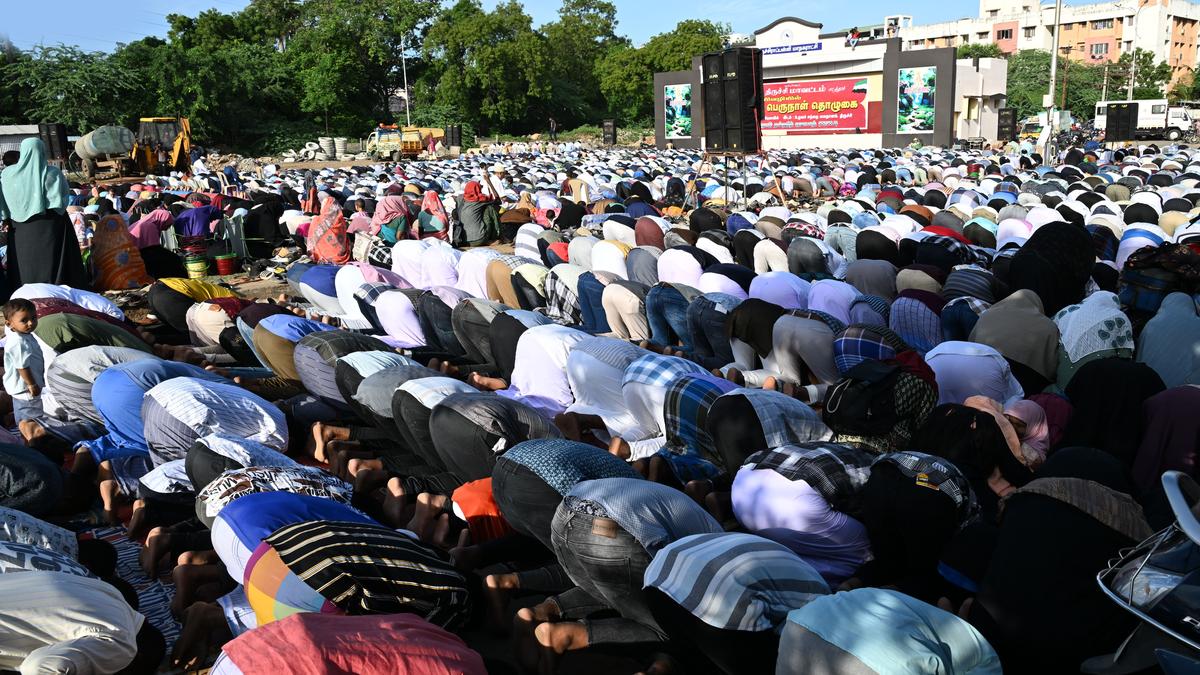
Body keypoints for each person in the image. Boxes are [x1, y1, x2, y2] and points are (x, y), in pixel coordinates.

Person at [0, 138, 89, 289]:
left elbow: (3, 200)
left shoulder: (8, 175)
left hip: (19, 228)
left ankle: (24, 289)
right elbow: (62, 199)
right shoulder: (52, 173)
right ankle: (55, 290)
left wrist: (7, 217)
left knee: (24, 261)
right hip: (51, 224)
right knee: (53, 260)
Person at [3, 298, 43, 423]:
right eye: (24, 320)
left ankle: (21, 431)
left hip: (25, 386)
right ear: (9, 324)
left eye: (34, 318)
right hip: (25, 388)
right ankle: (32, 440)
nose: (31, 323)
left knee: (24, 414)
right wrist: (32, 384)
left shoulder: (24, 336)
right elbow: (22, 366)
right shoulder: (19, 342)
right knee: (31, 419)